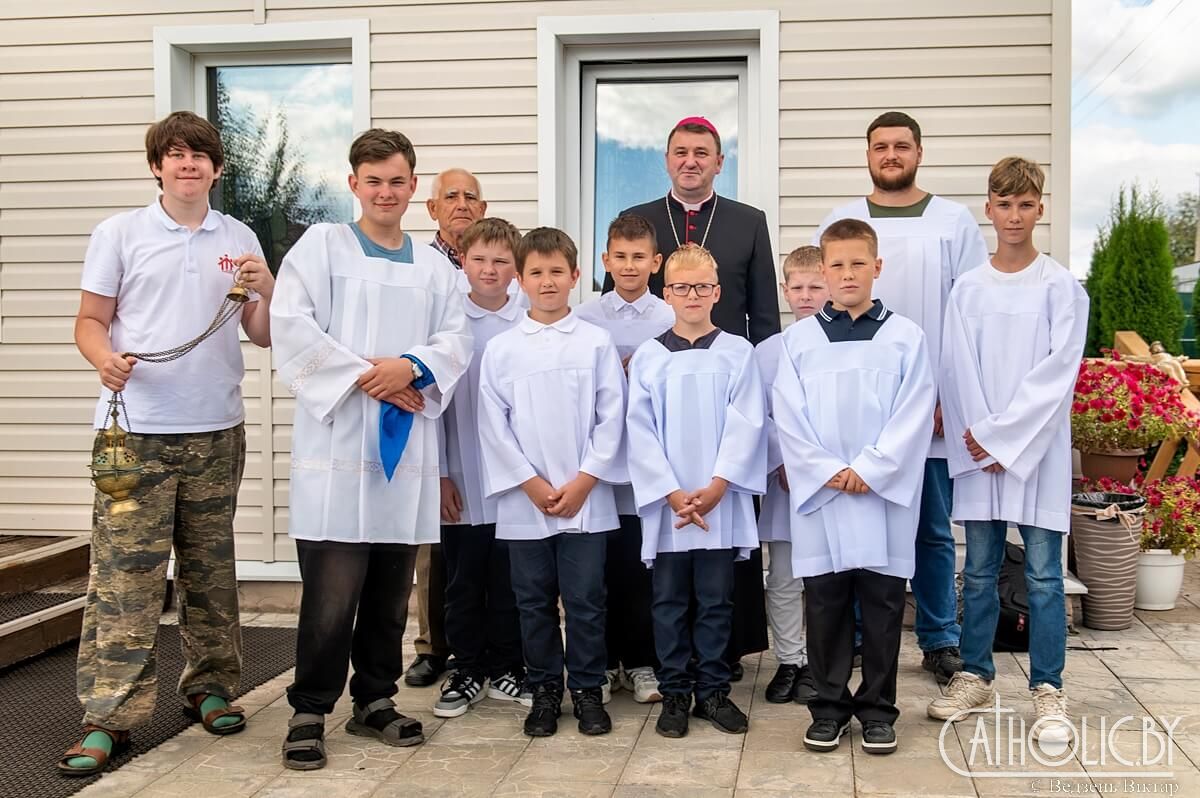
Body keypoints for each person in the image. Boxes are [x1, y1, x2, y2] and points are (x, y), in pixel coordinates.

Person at [59, 111, 274, 777]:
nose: (188, 165)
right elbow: (90, 320)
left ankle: (211, 688)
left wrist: (267, 289)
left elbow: (262, 333)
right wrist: (103, 358)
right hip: (136, 433)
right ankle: (108, 717)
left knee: (210, 572)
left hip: (216, 429)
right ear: (157, 167)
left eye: (199, 155)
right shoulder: (120, 233)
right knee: (126, 577)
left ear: (216, 167)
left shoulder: (238, 236)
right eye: (175, 155)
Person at [270, 128, 472, 770]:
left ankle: (375, 699)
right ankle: (309, 709)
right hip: (338, 442)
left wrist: (410, 367)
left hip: (405, 449)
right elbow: (291, 325)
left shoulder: (436, 269)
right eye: (374, 181)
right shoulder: (322, 247)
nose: (386, 192)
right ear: (354, 184)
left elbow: (456, 339)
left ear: (414, 188)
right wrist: (369, 375)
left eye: (397, 181)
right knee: (331, 594)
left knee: (390, 589)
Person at [814, 111, 988, 684]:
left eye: (901, 146)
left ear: (919, 152)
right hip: (856, 409)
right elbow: (828, 311)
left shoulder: (952, 221)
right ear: (868, 154)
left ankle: (939, 637)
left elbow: (967, 315)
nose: (891, 155)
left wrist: (948, 397)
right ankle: (857, 636)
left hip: (931, 404)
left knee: (932, 530)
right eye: (880, 146)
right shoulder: (842, 220)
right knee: (859, 524)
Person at [927, 157, 1086, 746]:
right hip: (979, 448)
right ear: (988, 209)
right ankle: (975, 674)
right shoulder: (968, 289)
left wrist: (1005, 439)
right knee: (979, 570)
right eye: (1004, 204)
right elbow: (956, 369)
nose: (1014, 216)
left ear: (1040, 208)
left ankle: (1048, 687)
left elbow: (1058, 374)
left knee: (1043, 575)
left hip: (1036, 451)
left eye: (1025, 205)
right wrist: (983, 438)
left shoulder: (1060, 287)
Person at [775, 219, 935, 755]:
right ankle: (828, 708)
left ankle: (878, 710)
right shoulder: (799, 341)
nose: (847, 274)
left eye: (858, 263)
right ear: (823, 270)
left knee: (883, 605)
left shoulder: (905, 337)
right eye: (837, 264)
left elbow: (915, 411)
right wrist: (826, 469)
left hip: (880, 495)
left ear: (877, 267)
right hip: (823, 494)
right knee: (825, 605)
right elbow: (788, 414)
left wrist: (872, 468)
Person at [477, 227, 627, 737]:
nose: (547, 282)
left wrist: (585, 480)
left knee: (586, 601)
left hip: (586, 497)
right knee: (533, 601)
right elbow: (493, 425)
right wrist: (530, 483)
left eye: (557, 272)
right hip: (528, 500)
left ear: (576, 275)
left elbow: (612, 416)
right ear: (519, 280)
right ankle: (544, 689)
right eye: (536, 272)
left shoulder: (595, 342)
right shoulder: (503, 350)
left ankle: (586, 689)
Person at [626, 244, 766, 738]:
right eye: (682, 287)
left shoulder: (737, 352)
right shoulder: (650, 356)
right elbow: (639, 429)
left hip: (717, 501)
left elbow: (748, 422)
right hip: (670, 506)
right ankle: (675, 693)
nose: (692, 295)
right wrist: (670, 492)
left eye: (702, 287)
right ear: (667, 293)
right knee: (667, 602)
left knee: (715, 601)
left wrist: (718, 485)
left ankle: (712, 691)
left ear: (717, 292)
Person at [575, 214, 674, 704]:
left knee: (641, 566)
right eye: (620, 256)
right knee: (599, 568)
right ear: (605, 260)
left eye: (639, 257)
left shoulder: (670, 316)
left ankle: (640, 662)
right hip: (597, 460)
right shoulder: (584, 317)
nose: (629, 266)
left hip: (647, 460)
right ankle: (602, 662)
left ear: (656, 262)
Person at [435, 217, 528, 718]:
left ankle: (510, 666)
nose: (489, 270)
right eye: (479, 260)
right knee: (464, 580)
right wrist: (440, 473)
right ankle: (467, 668)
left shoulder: (528, 319)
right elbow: (432, 405)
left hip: (518, 478)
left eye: (500, 261)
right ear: (462, 261)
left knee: (512, 581)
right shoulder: (447, 322)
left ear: (516, 268)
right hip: (463, 473)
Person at [408, 167, 490, 687]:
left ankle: (487, 649)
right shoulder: (419, 267)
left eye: (470, 197)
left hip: (486, 423)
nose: (461, 204)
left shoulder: (497, 263)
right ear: (432, 208)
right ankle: (433, 646)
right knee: (435, 544)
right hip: (433, 412)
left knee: (486, 550)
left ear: (483, 208)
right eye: (450, 196)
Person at [756, 245, 829, 705]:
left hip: (831, 481)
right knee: (783, 575)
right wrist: (783, 458)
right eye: (797, 287)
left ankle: (821, 664)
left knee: (825, 578)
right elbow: (758, 414)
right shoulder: (767, 351)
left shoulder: (845, 345)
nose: (805, 296)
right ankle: (789, 659)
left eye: (815, 286)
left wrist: (817, 465)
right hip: (785, 482)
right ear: (784, 290)